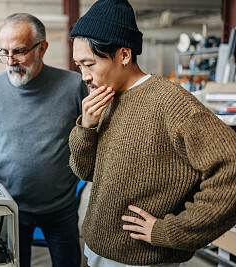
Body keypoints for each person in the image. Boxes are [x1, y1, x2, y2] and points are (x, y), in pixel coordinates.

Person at [68, 0, 236, 266]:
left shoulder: (171, 103)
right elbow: (85, 171)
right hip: (96, 249)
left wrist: (171, 231)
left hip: (141, 258)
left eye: (89, 64)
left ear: (124, 55)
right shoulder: (107, 98)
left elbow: (232, 170)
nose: (84, 76)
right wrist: (86, 127)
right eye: (79, 66)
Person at [0, 13, 87, 267]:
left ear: (42, 48)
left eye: (19, 51)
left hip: (60, 207)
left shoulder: (73, 85)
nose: (10, 61)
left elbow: (91, 135)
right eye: (5, 52)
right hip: (10, 205)